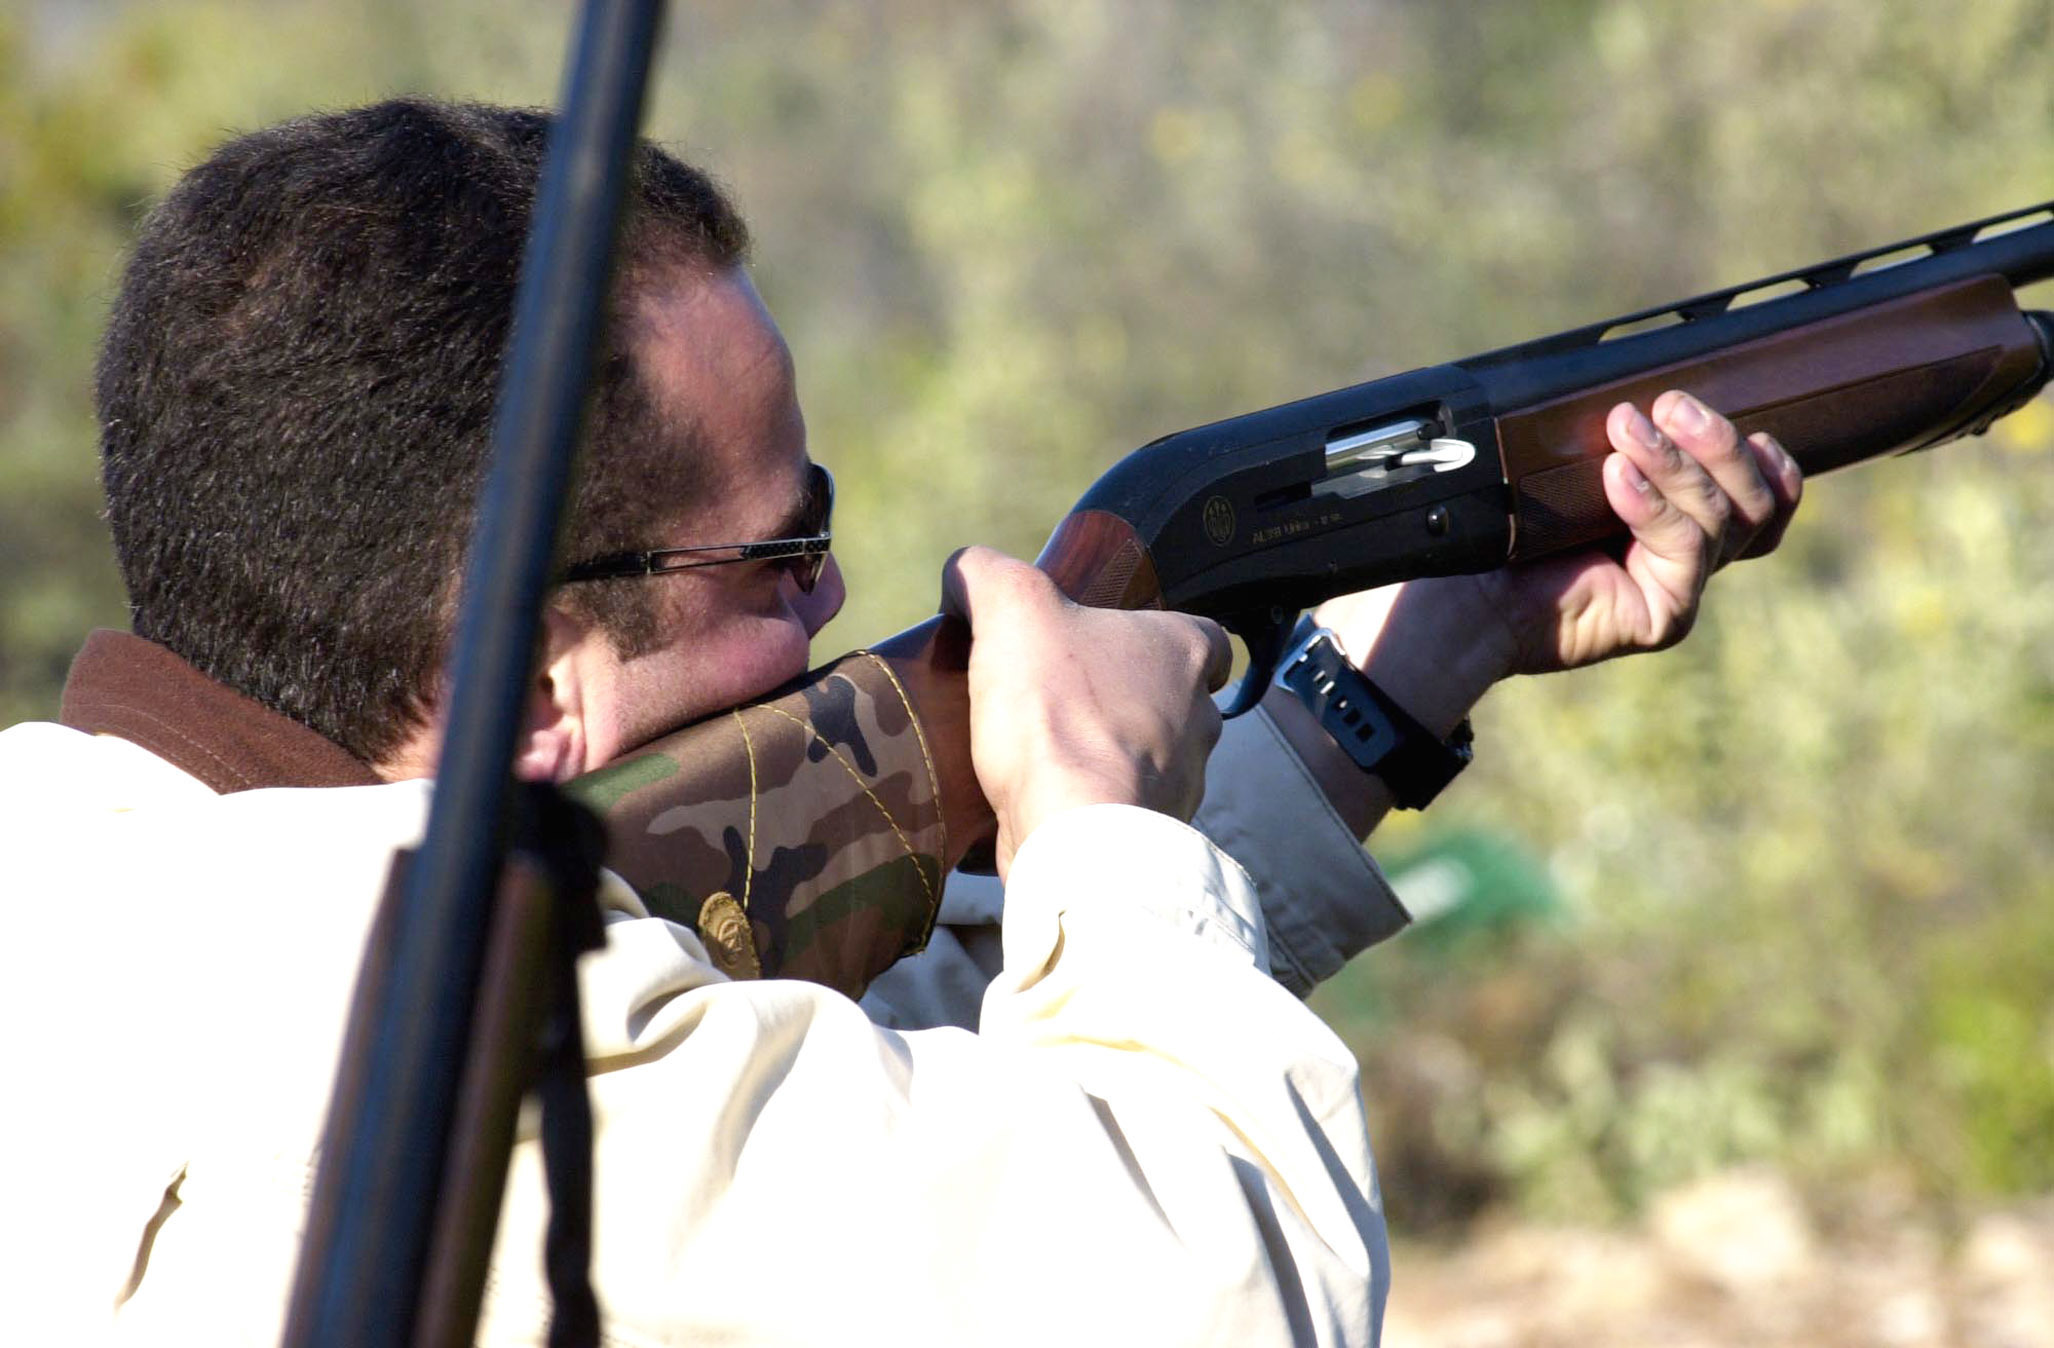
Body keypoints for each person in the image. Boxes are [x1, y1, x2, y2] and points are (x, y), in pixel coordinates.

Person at [0, 100, 1798, 1343]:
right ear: (539, 682)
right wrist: (1102, 820)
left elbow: (819, 1129)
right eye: (781, 551)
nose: (836, 609)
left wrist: (1381, 689)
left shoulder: (90, 877)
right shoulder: (466, 1047)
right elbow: (1233, 1296)